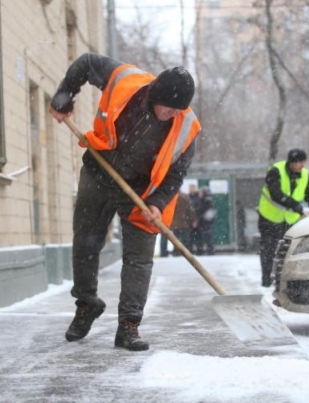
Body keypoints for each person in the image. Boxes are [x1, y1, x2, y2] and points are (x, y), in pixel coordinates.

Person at [48, 53, 201, 351]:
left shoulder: (186, 127)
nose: (173, 114)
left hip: (141, 192)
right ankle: (87, 304)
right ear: (156, 95)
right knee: (86, 243)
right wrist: (65, 94)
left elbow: (176, 173)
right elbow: (86, 63)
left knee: (139, 259)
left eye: (178, 110)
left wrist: (157, 202)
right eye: (168, 108)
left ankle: (129, 325)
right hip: (99, 170)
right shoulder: (125, 81)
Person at [258, 148, 309, 287]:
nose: (302, 165)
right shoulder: (275, 171)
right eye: (299, 162)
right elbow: (276, 193)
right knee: (268, 249)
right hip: (269, 217)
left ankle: (282, 282)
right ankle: (266, 280)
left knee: (287, 251)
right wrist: (294, 205)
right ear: (291, 163)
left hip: (289, 220)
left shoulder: (305, 175)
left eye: (303, 162)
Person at [170, 191, 197, 255]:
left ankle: (176, 252)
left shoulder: (172, 197)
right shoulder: (185, 198)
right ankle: (186, 252)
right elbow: (191, 210)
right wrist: (194, 220)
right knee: (186, 238)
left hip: (175, 222)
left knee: (175, 239)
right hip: (184, 221)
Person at [195, 186, 216, 255]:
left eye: (200, 192)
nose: (199, 194)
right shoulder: (203, 200)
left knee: (207, 236)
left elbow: (207, 211)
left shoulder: (207, 200)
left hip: (205, 221)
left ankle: (210, 250)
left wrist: (201, 217)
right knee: (205, 236)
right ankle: (208, 250)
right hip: (204, 221)